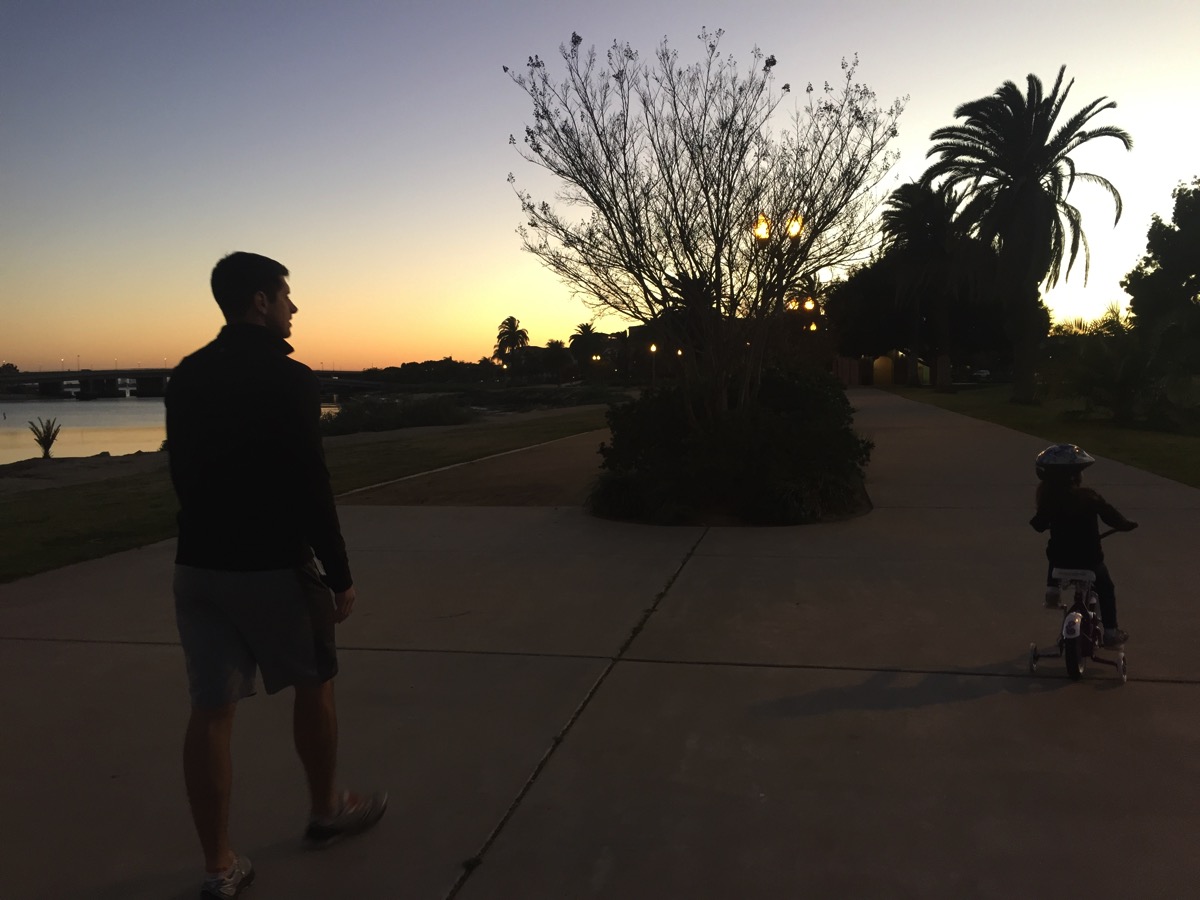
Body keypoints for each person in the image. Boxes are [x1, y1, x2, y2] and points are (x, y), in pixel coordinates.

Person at [166, 252, 386, 899]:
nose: (295, 308)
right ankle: (325, 810)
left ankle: (219, 866)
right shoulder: (289, 379)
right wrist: (339, 572)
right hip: (271, 567)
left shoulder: (186, 377)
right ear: (260, 302)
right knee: (314, 685)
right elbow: (309, 483)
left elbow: (182, 473)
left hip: (198, 567)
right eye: (287, 296)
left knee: (211, 711)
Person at [1029, 443, 1138, 647]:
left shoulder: (1050, 499)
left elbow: (1038, 525)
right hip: (1090, 561)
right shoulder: (1089, 497)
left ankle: (1052, 589)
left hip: (1060, 561)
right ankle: (1111, 632)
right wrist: (1126, 525)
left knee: (1055, 549)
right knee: (1106, 587)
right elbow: (1113, 518)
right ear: (1075, 476)